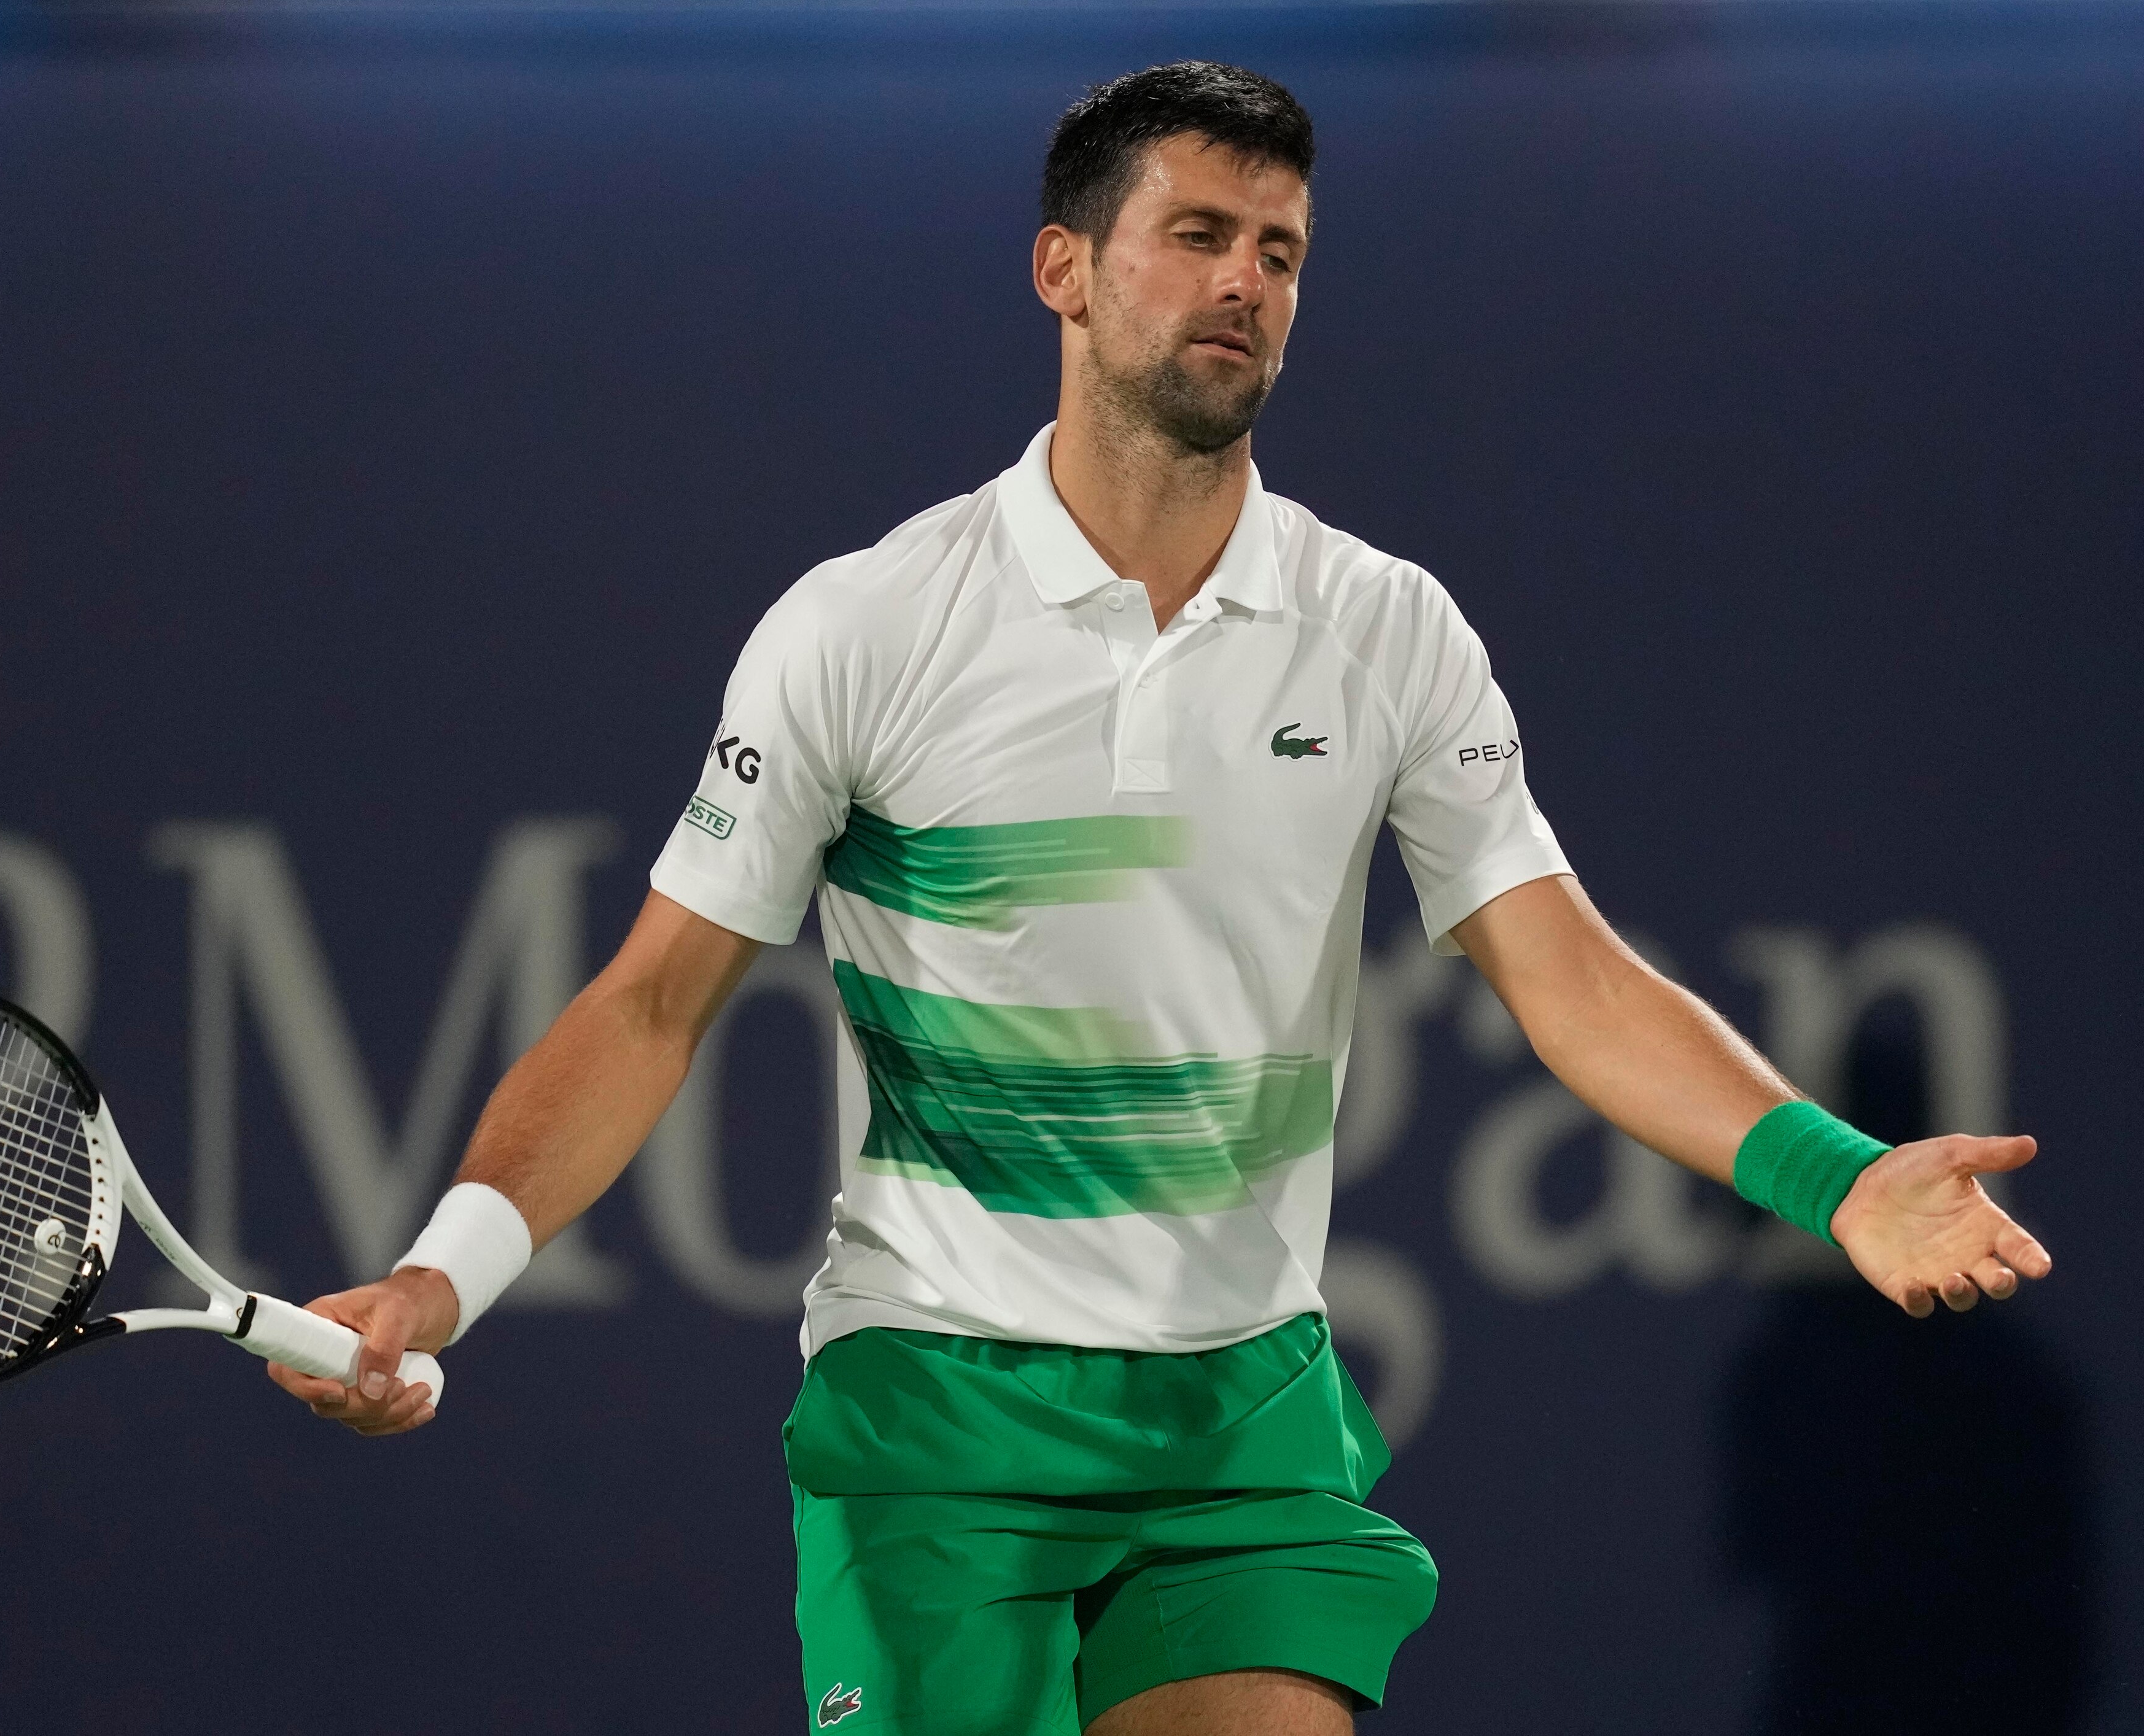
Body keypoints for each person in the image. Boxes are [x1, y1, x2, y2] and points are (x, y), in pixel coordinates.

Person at [267, 61, 2053, 1736]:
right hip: (941, 1412)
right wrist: (442, 1278)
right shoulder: (867, 627)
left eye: (1279, 251)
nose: (1245, 284)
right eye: (1197, 235)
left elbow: (1566, 973)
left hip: (1242, 1417)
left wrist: (1835, 1178)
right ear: (1065, 267)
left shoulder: (1388, 630)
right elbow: (652, 1002)